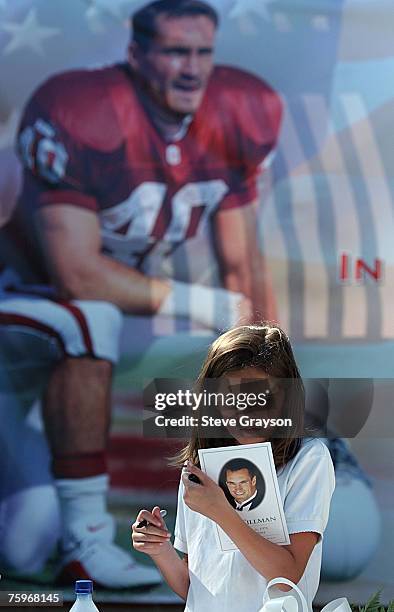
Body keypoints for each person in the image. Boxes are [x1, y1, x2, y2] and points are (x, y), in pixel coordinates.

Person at [0, 0, 282, 588]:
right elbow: (77, 274)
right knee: (89, 318)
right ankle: (87, 540)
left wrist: (275, 395)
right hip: (17, 303)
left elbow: (241, 265)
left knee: (25, 547)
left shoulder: (234, 113)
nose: (192, 68)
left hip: (64, 348)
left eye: (203, 52)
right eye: (175, 51)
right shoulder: (83, 111)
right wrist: (204, 305)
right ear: (137, 55)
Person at [132, 323, 335, 611]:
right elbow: (194, 589)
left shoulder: (308, 459)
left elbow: (287, 575)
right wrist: (159, 548)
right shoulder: (199, 469)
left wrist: (221, 511)